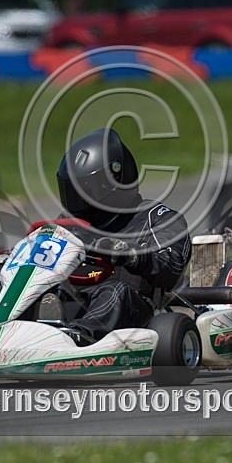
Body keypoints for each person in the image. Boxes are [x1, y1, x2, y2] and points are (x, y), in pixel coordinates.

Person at [55, 128, 191, 344]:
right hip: (73, 300)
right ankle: (8, 329)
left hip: (133, 311)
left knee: (114, 291)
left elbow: (171, 269)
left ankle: (76, 337)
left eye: (87, 190)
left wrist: (132, 256)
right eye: (74, 192)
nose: (79, 200)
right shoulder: (70, 224)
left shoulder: (156, 218)